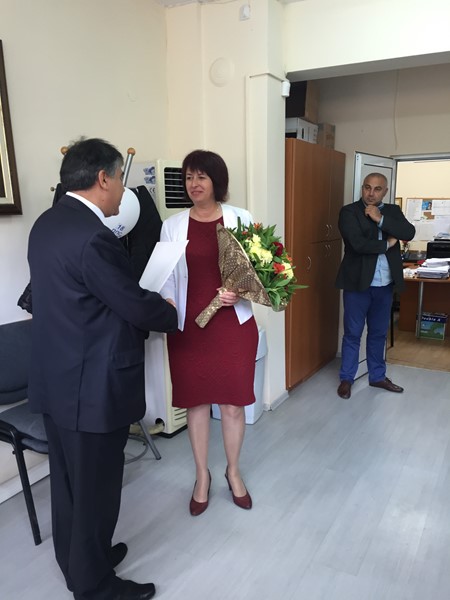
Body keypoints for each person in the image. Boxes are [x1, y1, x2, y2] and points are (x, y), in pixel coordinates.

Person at [27, 138, 178, 600]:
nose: (123, 192)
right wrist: (167, 310)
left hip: (58, 379)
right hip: (92, 386)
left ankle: (79, 562)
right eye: (120, 180)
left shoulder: (47, 223)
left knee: (69, 485)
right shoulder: (94, 237)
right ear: (103, 179)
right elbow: (132, 303)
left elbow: (78, 299)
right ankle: (93, 587)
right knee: (96, 490)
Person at [160, 149, 258, 516]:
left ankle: (233, 472)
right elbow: (166, 276)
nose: (194, 184)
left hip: (232, 326)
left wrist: (241, 292)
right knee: (196, 404)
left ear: (217, 181)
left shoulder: (241, 218)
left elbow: (258, 272)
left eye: (201, 176)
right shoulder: (172, 226)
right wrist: (168, 302)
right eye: (188, 177)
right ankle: (202, 475)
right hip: (189, 328)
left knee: (232, 404)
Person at [335, 172, 416, 400]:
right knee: (352, 334)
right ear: (362, 188)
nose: (371, 193)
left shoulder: (392, 211)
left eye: (377, 189)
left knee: (379, 333)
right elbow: (358, 244)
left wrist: (380, 219)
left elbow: (409, 232)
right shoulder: (349, 212)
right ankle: (347, 379)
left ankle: (377, 376)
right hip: (357, 284)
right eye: (367, 187)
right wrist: (388, 243)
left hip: (385, 285)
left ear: (385, 191)